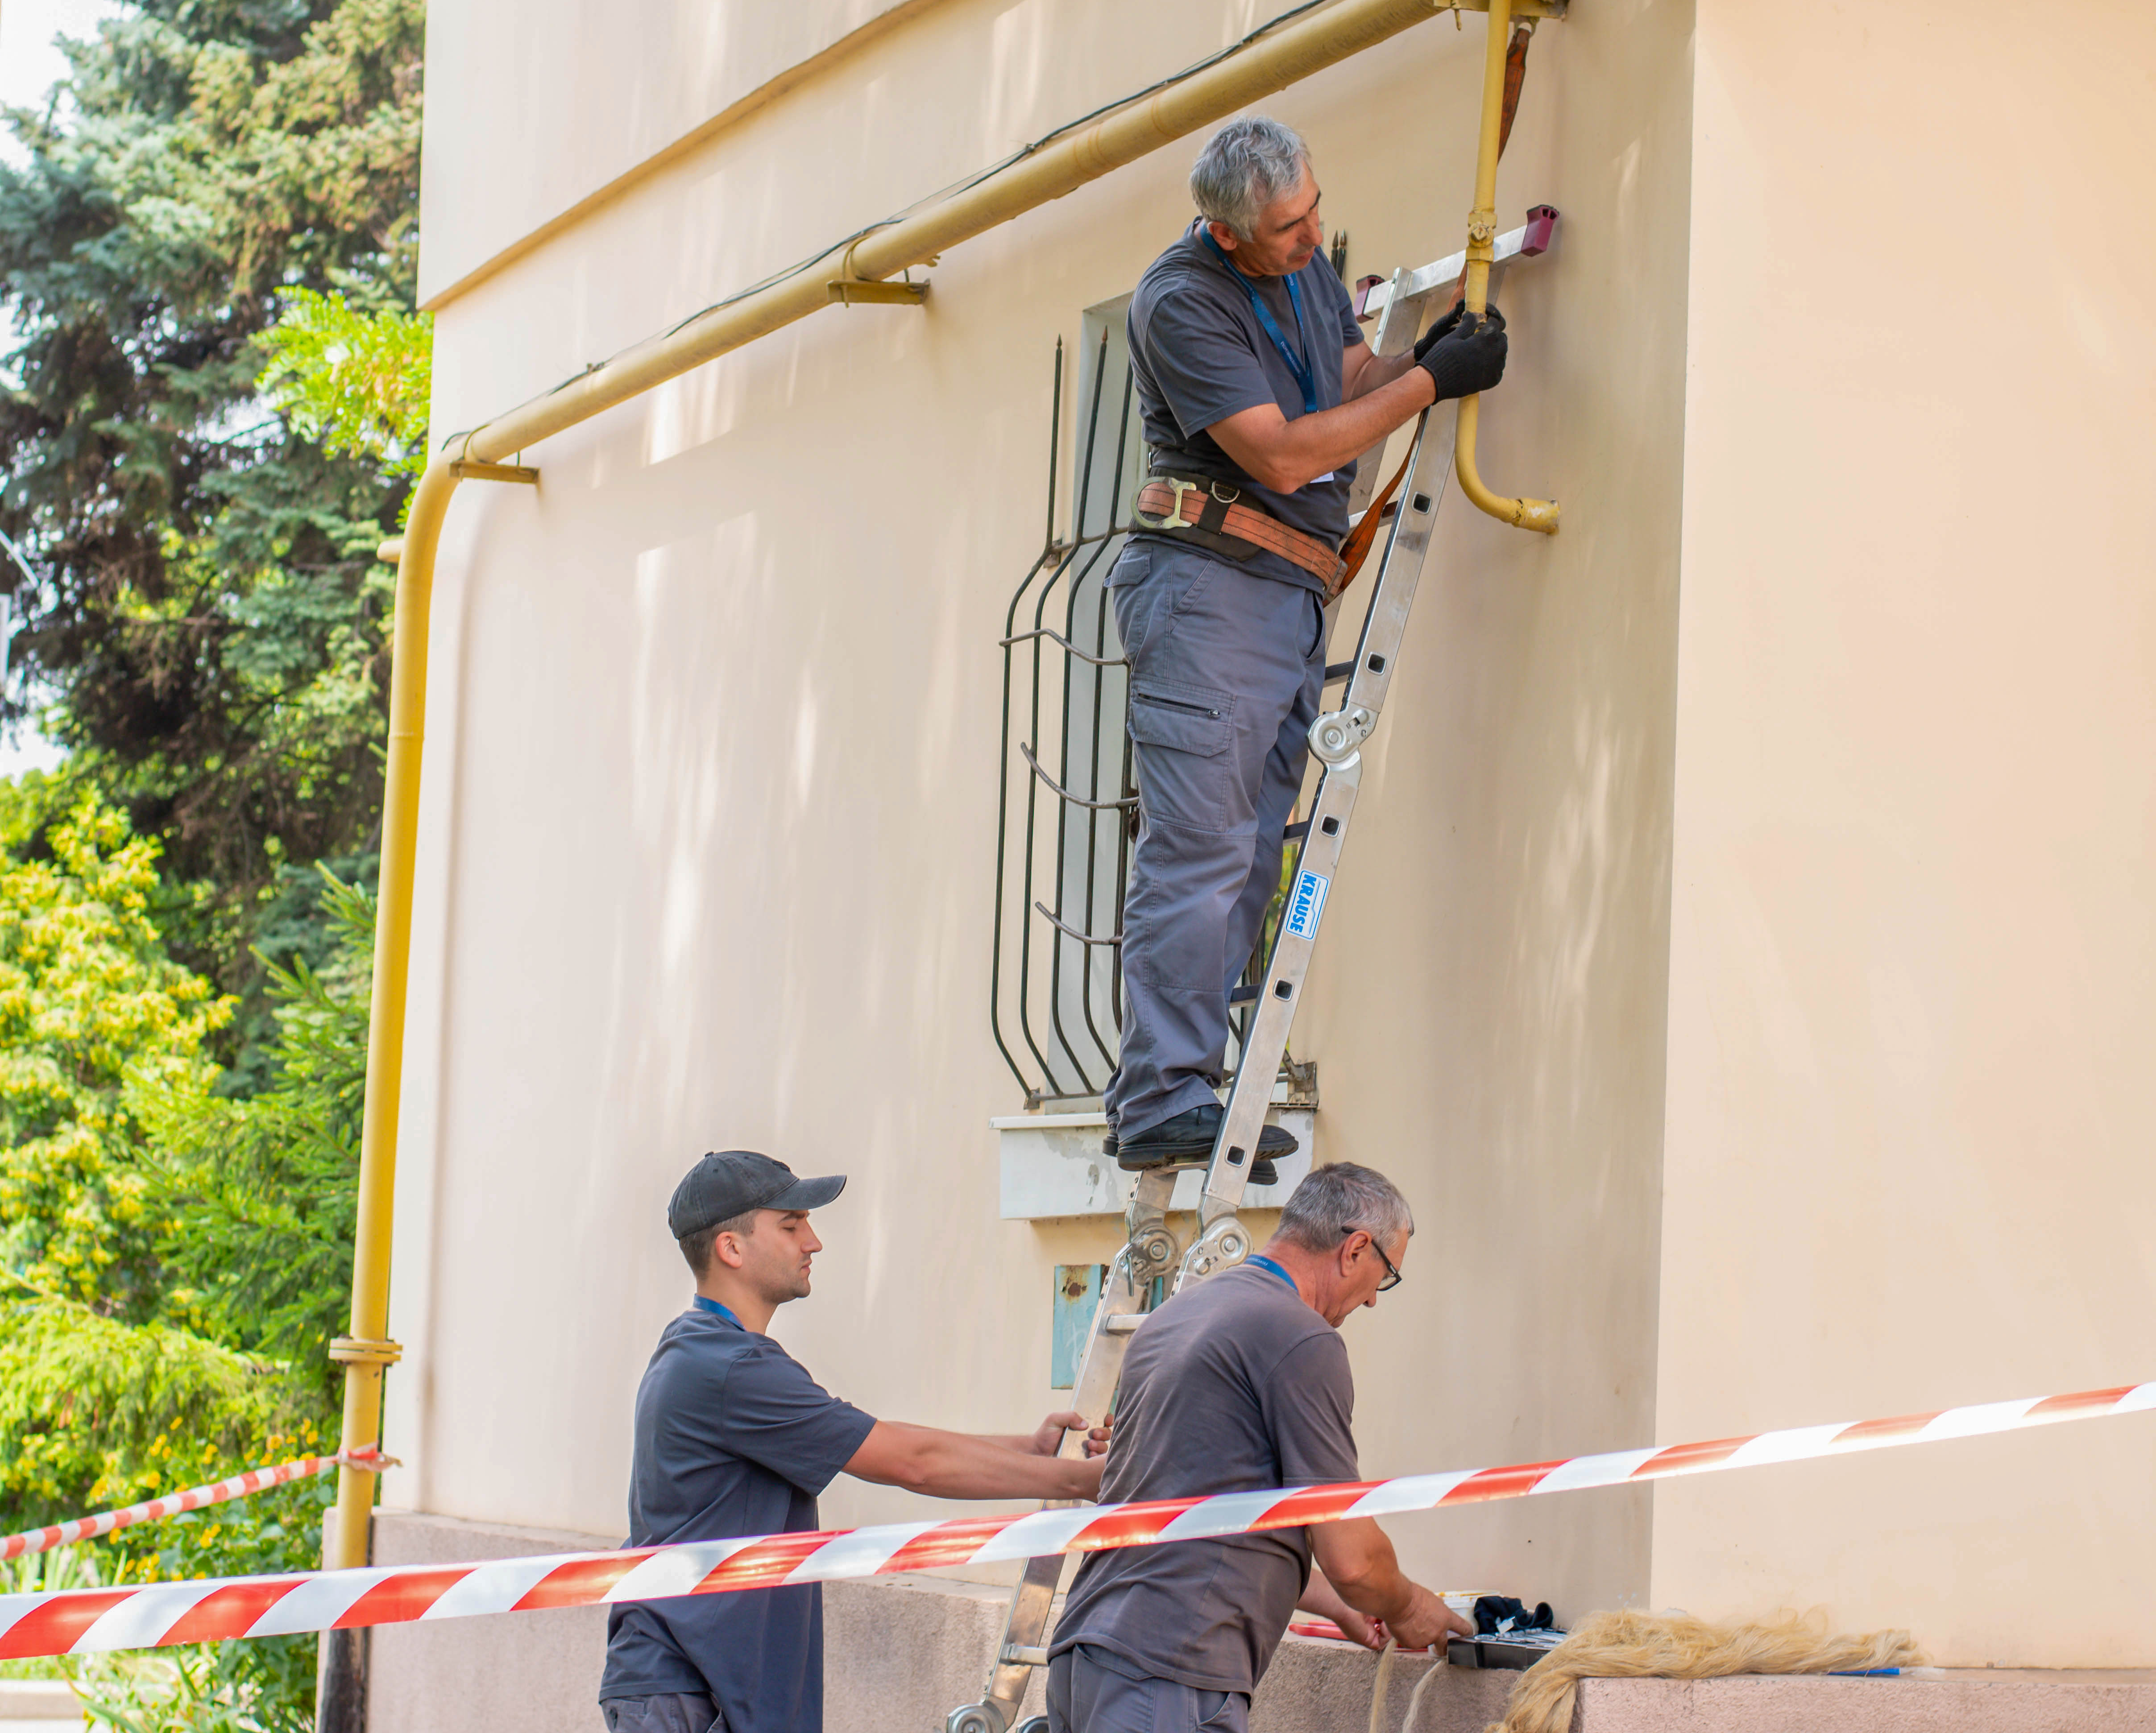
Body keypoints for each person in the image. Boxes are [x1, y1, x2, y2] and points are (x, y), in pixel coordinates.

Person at [1106, 117, 1510, 1173]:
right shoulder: (1181, 301)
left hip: (1284, 591)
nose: (1308, 234)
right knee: (1199, 851)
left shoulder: (1304, 269)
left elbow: (1346, 379)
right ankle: (1160, 1097)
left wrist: (1418, 361)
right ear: (1226, 232)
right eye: (1286, 228)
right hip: (1210, 585)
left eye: (1312, 210)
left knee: (1244, 860)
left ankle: (1187, 1081)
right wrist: (1430, 386)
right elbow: (1284, 454)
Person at [598, 1151, 1109, 1733]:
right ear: (731, 1249)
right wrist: (1086, 1481)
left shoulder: (705, 1351)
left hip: (696, 1683)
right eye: (791, 1226)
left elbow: (878, 1438)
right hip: (689, 1689)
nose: (812, 1242)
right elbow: (910, 1463)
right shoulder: (728, 1367)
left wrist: (1029, 1451)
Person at [1046, 1163, 1470, 1733]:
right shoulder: (1301, 1339)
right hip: (1171, 1675)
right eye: (1385, 1274)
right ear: (1356, 1248)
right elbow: (1352, 1556)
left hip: (1089, 1657)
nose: (1373, 1302)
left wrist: (1342, 1606)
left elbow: (1208, 1519)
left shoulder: (1171, 1320)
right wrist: (1410, 1606)